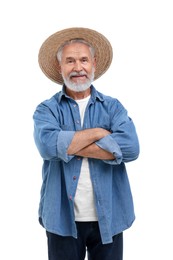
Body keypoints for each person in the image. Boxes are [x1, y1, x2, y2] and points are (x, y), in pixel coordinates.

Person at [33, 27, 140, 260]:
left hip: (110, 216)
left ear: (94, 63)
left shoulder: (113, 107)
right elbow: (48, 146)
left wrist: (69, 145)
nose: (77, 67)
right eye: (70, 61)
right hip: (62, 219)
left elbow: (131, 148)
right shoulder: (46, 109)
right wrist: (100, 133)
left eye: (83, 60)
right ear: (60, 67)